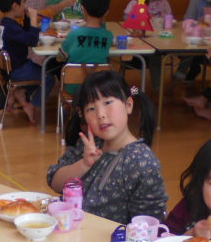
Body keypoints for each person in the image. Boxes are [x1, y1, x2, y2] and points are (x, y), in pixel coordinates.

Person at [47, 70, 165, 223]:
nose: (101, 114)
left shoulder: (141, 161)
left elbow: (147, 224)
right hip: (69, 229)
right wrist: (84, 164)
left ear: (128, 105)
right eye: (91, 108)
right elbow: (55, 183)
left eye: (108, 102)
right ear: (82, 115)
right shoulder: (89, 144)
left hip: (107, 237)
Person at [0, 0, 51, 122]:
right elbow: (32, 40)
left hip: (11, 68)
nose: (25, 6)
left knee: (37, 69)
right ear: (15, 5)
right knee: (49, 77)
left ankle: (19, 92)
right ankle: (31, 104)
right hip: (16, 70)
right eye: (23, 2)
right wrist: (33, 20)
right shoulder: (11, 27)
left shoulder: (6, 23)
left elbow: (24, 34)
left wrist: (26, 19)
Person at [58, 0, 112, 93]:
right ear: (107, 12)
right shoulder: (108, 36)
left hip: (74, 89)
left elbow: (61, 55)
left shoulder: (74, 34)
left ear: (83, 9)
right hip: (98, 89)